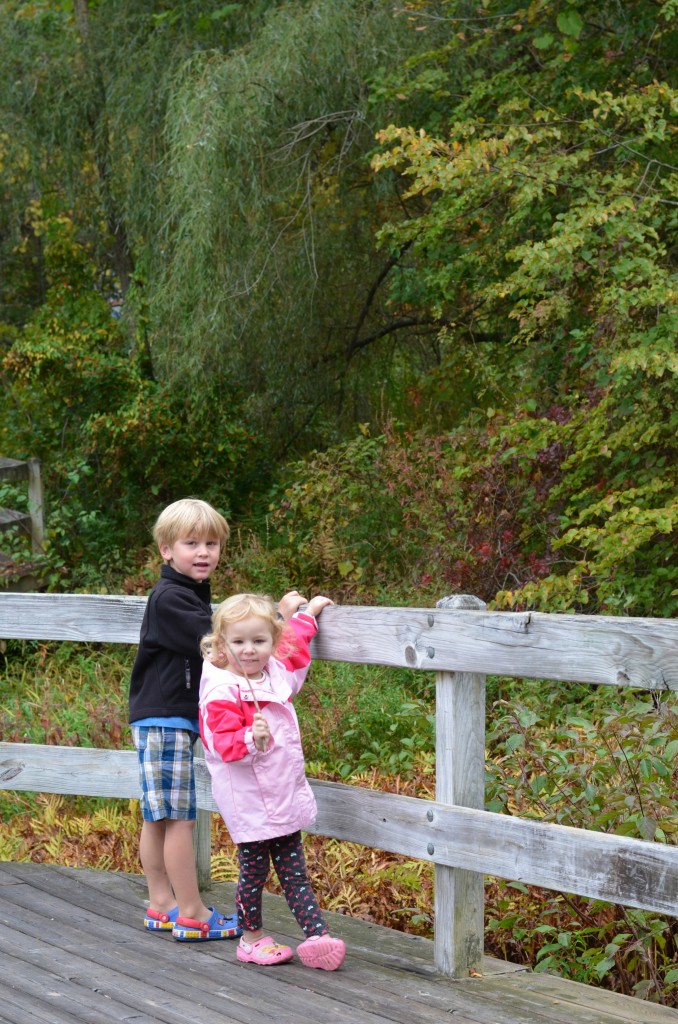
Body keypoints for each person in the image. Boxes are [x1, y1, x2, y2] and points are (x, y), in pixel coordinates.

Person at [128, 497, 306, 942]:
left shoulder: (183, 593)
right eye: (191, 543)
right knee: (179, 818)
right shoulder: (171, 598)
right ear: (167, 550)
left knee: (159, 816)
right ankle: (190, 912)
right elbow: (222, 644)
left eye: (212, 543)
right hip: (167, 717)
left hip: (158, 717)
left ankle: (161, 903)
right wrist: (283, 618)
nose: (204, 551)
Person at [199, 592, 346, 970]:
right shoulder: (221, 690)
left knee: (295, 870)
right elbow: (220, 743)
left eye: (259, 641)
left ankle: (317, 936)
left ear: (271, 641)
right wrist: (253, 738)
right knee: (255, 871)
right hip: (249, 800)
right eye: (239, 642)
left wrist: (307, 613)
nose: (249, 650)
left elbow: (294, 646)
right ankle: (249, 939)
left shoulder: (273, 671)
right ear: (221, 644)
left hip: (281, 793)